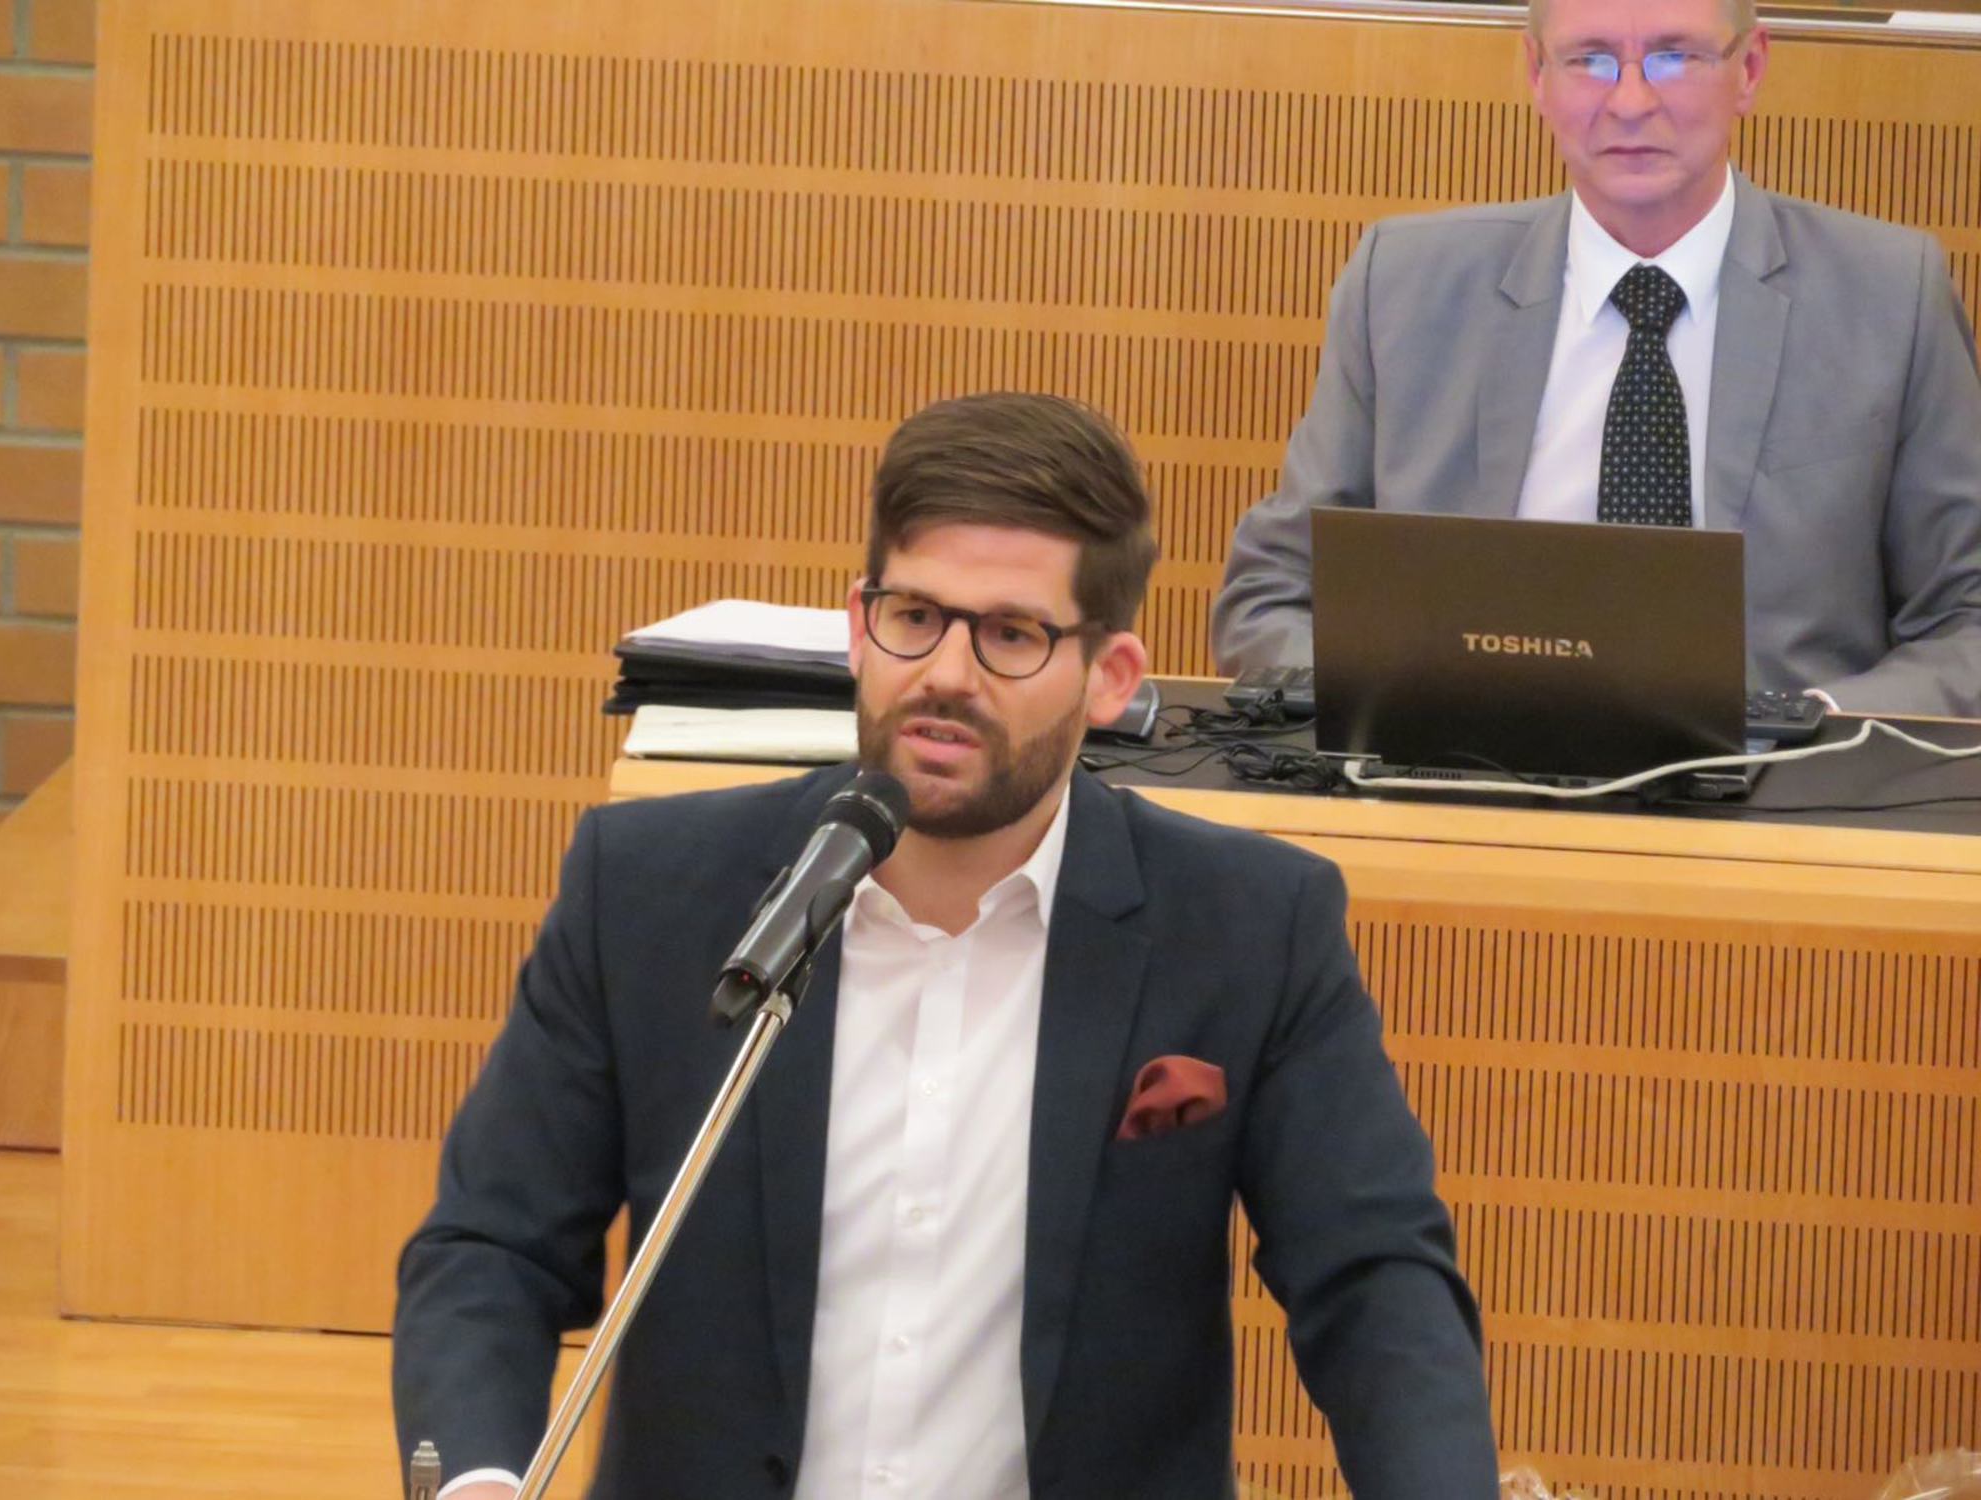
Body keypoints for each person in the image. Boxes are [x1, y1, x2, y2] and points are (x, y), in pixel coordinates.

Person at [392, 392, 1497, 1499]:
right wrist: (476, 1480)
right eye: (915, 616)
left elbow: (1374, 1284)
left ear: (1110, 678)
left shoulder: (1247, 927)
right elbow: (494, 1250)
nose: (946, 675)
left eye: (1011, 634)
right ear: (857, 623)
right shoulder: (650, 894)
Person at [1213, 0, 1981, 719]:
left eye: (1674, 57)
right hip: (1467, 775)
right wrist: (1403, 711)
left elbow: (1967, 616)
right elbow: (1273, 593)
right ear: (1536, 75)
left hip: (1786, 791)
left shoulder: (1889, 295)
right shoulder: (1404, 287)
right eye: (1590, 60)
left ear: (1748, 70)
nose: (1631, 102)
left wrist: (1814, 733)